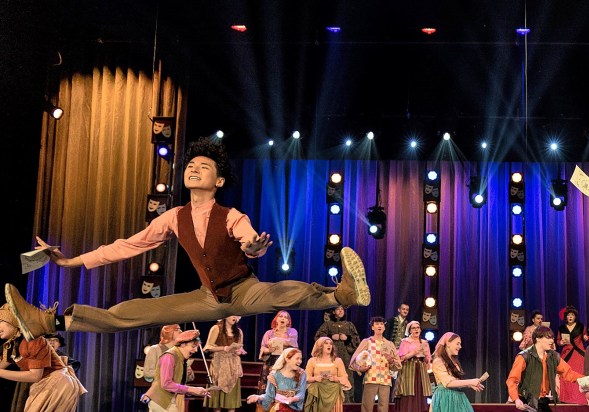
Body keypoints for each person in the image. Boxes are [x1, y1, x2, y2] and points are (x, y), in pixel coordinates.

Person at [5, 138, 370, 340]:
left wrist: (252, 247)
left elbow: (246, 237)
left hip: (243, 289)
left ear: (220, 181)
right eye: (191, 166)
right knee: (131, 313)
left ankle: (341, 294)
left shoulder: (231, 215)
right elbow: (128, 245)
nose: (194, 169)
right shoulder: (173, 217)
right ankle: (47, 323)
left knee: (279, 293)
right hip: (206, 298)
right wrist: (70, 261)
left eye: (204, 167)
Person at [350, 317, 402, 412]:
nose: (379, 326)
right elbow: (354, 361)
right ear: (372, 327)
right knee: (367, 407)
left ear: (384, 327)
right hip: (371, 378)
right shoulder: (367, 342)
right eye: (376, 324)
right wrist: (361, 368)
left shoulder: (389, 344)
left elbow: (398, 365)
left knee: (383, 408)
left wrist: (391, 360)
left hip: (385, 379)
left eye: (381, 324)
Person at [304, 336, 351, 412]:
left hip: (332, 395)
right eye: (326, 343)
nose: (329, 345)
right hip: (317, 395)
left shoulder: (337, 361)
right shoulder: (312, 361)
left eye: (330, 343)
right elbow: (305, 378)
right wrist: (315, 378)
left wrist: (336, 378)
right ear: (320, 346)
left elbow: (344, 377)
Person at [203, 316, 245, 412]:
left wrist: (239, 351)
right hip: (219, 363)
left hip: (233, 363)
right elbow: (208, 347)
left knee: (232, 390)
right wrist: (223, 348)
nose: (235, 318)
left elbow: (240, 346)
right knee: (218, 389)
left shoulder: (239, 331)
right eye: (233, 315)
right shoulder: (216, 328)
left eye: (237, 316)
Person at [256, 311, 298, 412]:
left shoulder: (292, 332)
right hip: (271, 362)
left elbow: (293, 343)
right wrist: (269, 349)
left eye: (285, 317)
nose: (283, 318)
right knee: (269, 387)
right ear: (276, 319)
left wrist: (277, 340)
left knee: (282, 387)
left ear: (288, 321)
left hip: (285, 363)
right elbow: (263, 348)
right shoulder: (269, 333)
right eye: (280, 316)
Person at [314, 305, 360, 402]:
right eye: (338, 309)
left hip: (346, 357)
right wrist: (330, 337)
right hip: (330, 356)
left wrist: (347, 339)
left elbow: (356, 340)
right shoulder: (327, 325)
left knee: (346, 376)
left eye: (342, 309)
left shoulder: (349, 325)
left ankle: (347, 401)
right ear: (334, 312)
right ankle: (329, 399)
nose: (340, 311)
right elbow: (318, 338)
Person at [395, 321, 433, 412]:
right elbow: (401, 358)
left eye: (418, 327)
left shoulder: (424, 342)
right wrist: (414, 352)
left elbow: (427, 359)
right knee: (408, 391)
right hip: (408, 367)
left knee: (418, 392)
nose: (416, 329)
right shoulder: (406, 341)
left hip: (420, 368)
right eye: (413, 328)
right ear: (409, 330)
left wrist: (426, 357)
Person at [556, 305, 589, 405]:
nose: (570, 317)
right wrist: (561, 342)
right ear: (566, 317)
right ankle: (566, 398)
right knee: (564, 374)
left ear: (575, 317)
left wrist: (586, 337)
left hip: (578, 353)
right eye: (569, 315)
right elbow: (558, 340)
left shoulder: (581, 326)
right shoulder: (561, 328)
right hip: (566, 353)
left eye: (572, 315)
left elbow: (584, 337)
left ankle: (581, 398)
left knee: (579, 373)